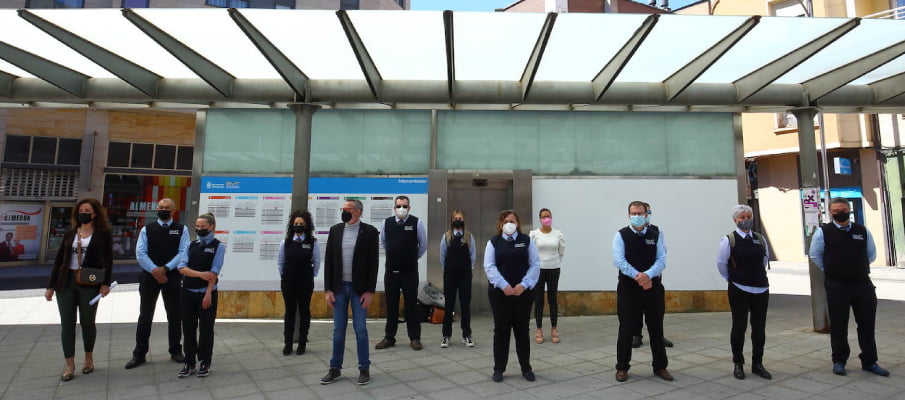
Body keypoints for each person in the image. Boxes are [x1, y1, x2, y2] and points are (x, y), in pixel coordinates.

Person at [808, 197, 889, 377]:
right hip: (837, 286)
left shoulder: (862, 231)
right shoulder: (823, 232)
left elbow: (871, 254)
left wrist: (855, 267)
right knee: (839, 325)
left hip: (862, 284)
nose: (840, 213)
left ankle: (869, 361)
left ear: (849, 210)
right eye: (836, 211)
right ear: (831, 213)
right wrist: (833, 270)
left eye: (844, 209)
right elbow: (815, 255)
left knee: (867, 325)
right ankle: (839, 361)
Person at [44, 198, 113, 382]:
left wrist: (105, 284)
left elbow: (108, 260)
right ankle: (69, 364)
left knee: (87, 321)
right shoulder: (69, 234)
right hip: (66, 282)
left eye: (87, 210)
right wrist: (50, 286)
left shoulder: (103, 234)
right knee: (67, 324)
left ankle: (88, 358)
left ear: (95, 213)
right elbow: (59, 261)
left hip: (89, 282)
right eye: (81, 210)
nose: (83, 212)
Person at [321, 199, 380, 386]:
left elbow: (373, 264)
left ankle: (364, 367)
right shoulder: (335, 230)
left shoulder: (369, 232)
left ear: (358, 212)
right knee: (338, 330)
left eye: (348, 209)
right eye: (343, 209)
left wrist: (370, 291)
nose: (344, 212)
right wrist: (328, 289)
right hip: (339, 287)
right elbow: (329, 261)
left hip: (359, 289)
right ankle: (335, 368)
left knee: (360, 329)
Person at [126, 198, 189, 369]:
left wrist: (166, 269)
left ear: (174, 210)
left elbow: (183, 253)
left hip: (172, 277)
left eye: (167, 208)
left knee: (175, 316)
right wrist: (156, 270)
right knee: (145, 316)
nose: (163, 210)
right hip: (149, 278)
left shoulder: (182, 229)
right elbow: (140, 253)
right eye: (160, 207)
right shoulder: (147, 229)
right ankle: (139, 354)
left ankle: (176, 350)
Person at [613, 200, 672, 382]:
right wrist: (639, 277)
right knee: (626, 329)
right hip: (628, 289)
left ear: (647, 214)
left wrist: (648, 275)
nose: (637, 216)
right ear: (628, 215)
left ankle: (660, 366)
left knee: (656, 328)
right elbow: (619, 261)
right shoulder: (620, 235)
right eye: (633, 213)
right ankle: (622, 367)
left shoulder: (656, 234)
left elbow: (662, 259)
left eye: (640, 213)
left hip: (653, 289)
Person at [484, 210, 540, 382]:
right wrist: (504, 285)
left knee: (522, 330)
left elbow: (535, 264)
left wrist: (523, 285)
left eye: (512, 221)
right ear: (500, 224)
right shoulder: (493, 242)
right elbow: (489, 266)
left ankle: (526, 368)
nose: (509, 224)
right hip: (500, 294)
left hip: (523, 294)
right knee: (501, 331)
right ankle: (499, 368)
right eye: (506, 221)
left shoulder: (526, 241)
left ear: (518, 223)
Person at [716, 205, 772, 380]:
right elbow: (721, 264)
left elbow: (764, 259)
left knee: (759, 328)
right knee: (739, 326)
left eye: (748, 216)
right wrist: (734, 278)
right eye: (742, 217)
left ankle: (758, 363)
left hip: (761, 288)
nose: (746, 219)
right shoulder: (729, 240)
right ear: (735, 220)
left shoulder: (759, 239)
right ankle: (738, 363)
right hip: (739, 288)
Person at [176, 213, 225, 378]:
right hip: (187, 293)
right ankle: (189, 362)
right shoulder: (191, 245)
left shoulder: (218, 246)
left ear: (211, 227)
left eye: (202, 227)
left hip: (206, 294)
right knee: (188, 329)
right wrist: (200, 275)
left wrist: (208, 293)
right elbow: (182, 268)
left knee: (206, 329)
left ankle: (205, 361)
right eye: (197, 227)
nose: (199, 229)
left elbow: (214, 273)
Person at [376, 195, 428, 351]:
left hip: (410, 273)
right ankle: (389, 337)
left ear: (409, 208)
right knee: (391, 306)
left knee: (411, 306)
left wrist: (412, 257)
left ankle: (415, 338)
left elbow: (423, 245)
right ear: (394, 208)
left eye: (404, 206)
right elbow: (384, 243)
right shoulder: (387, 223)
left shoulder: (416, 222)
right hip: (391, 272)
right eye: (398, 206)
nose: (401, 209)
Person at [278, 210, 320, 356]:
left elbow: (316, 262)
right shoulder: (286, 242)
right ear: (292, 225)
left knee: (304, 311)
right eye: (296, 224)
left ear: (306, 225)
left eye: (301, 224)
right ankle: (288, 344)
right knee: (289, 311)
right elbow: (280, 263)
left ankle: (302, 343)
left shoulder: (312, 242)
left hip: (305, 282)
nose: (298, 226)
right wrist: (285, 277)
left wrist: (310, 276)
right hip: (288, 281)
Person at [632, 203, 674, 349]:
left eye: (647, 211)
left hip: (654, 276)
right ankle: (636, 335)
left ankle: (658, 335)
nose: (643, 215)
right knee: (636, 307)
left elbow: (663, 252)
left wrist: (653, 271)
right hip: (637, 277)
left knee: (657, 308)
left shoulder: (657, 231)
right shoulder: (630, 232)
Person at [439, 210, 477, 348]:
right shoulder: (446, 237)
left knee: (465, 305)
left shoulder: (468, 237)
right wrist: (447, 270)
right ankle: (446, 335)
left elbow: (472, 255)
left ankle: (466, 335)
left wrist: (468, 269)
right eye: (455, 218)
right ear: (451, 220)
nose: (457, 220)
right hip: (450, 275)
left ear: (464, 220)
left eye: (460, 218)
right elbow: (442, 256)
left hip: (465, 276)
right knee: (449, 305)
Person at [529, 208, 565, 344]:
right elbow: (531, 252)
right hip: (539, 270)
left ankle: (554, 329)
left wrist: (554, 261)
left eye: (548, 216)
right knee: (538, 300)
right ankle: (538, 329)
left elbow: (561, 251)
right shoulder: (534, 234)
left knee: (552, 299)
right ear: (540, 219)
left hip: (554, 269)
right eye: (544, 217)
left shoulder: (558, 234)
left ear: (552, 217)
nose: (546, 219)